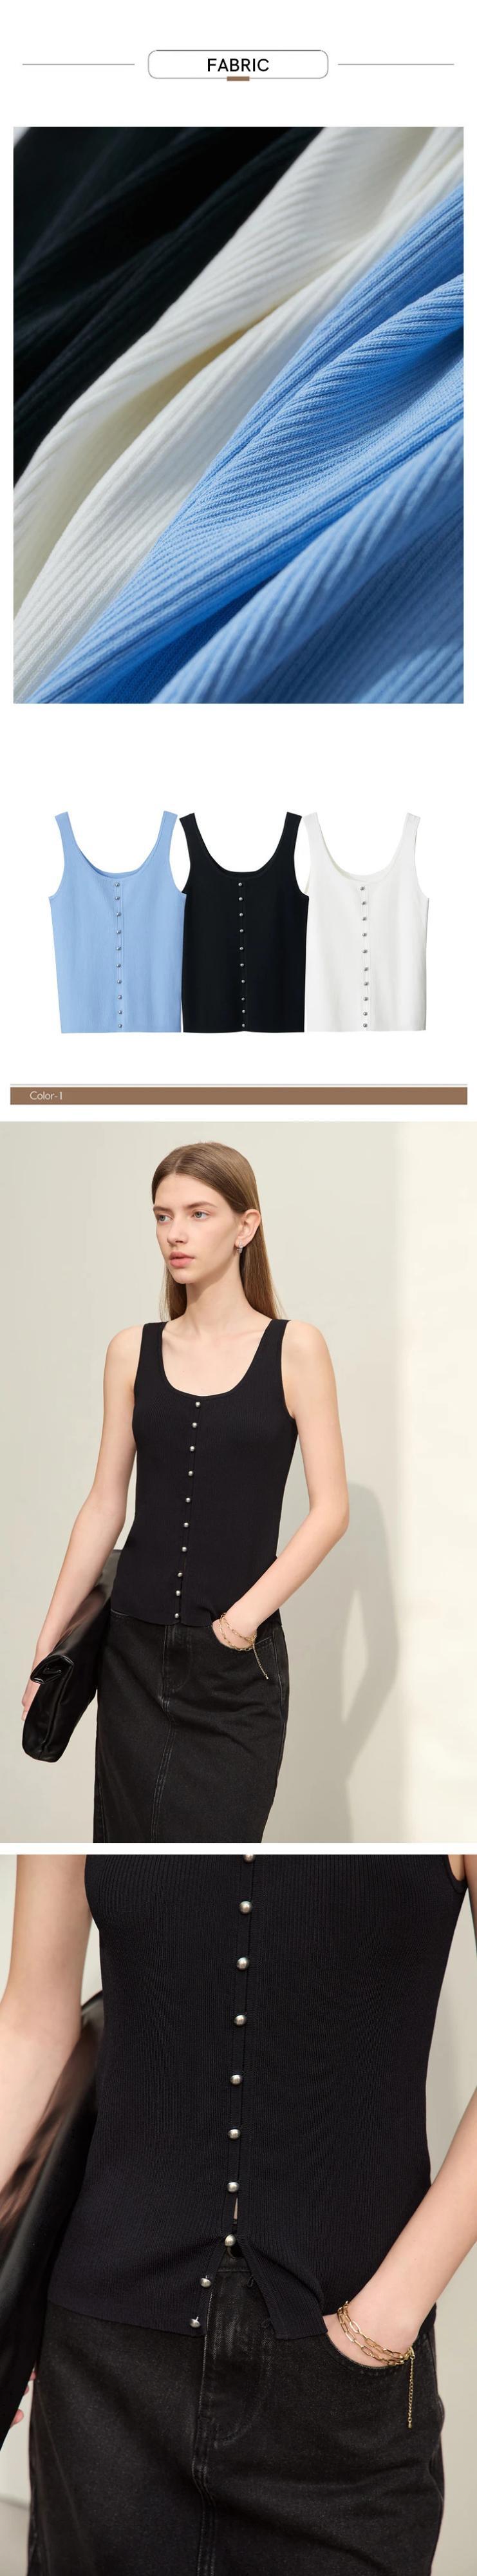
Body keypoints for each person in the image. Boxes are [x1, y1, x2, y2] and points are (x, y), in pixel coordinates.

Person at [1, 1849, 476, 2575]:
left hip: (344, 2382)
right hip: (102, 2372)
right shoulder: (91, 1804)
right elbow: (33, 2027)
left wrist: (383, 2321)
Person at [21, 1142, 349, 1840]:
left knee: (215, 1862)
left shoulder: (296, 1349)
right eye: (163, 1215)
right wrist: (50, 1645)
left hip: (237, 1667)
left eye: (199, 1214)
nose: (176, 1233)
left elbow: (331, 1510)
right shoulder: (130, 1350)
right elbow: (104, 1504)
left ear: (245, 1225)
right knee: (130, 1861)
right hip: (131, 1659)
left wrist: (243, 1619)